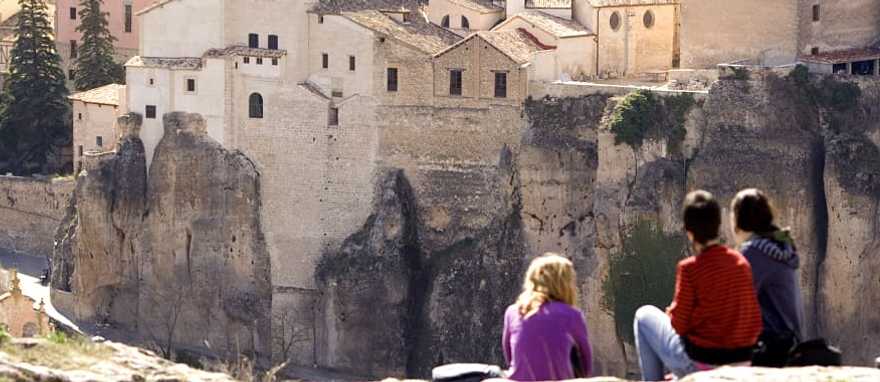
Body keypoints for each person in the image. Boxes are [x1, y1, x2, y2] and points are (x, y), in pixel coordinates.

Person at [634, 190, 762, 381]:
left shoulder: (690, 269)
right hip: (741, 361)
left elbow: (679, 324)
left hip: (700, 363)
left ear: (689, 231)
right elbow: (754, 321)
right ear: (718, 225)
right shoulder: (741, 263)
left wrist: (671, 312)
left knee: (643, 315)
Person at [731, 188, 804, 367]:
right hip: (790, 344)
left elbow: (731, 304)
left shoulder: (754, 253)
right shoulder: (779, 247)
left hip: (770, 347)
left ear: (737, 221)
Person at [502, 253, 592, 381]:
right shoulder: (571, 315)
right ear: (564, 284)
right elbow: (586, 363)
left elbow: (510, 356)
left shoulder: (513, 311)